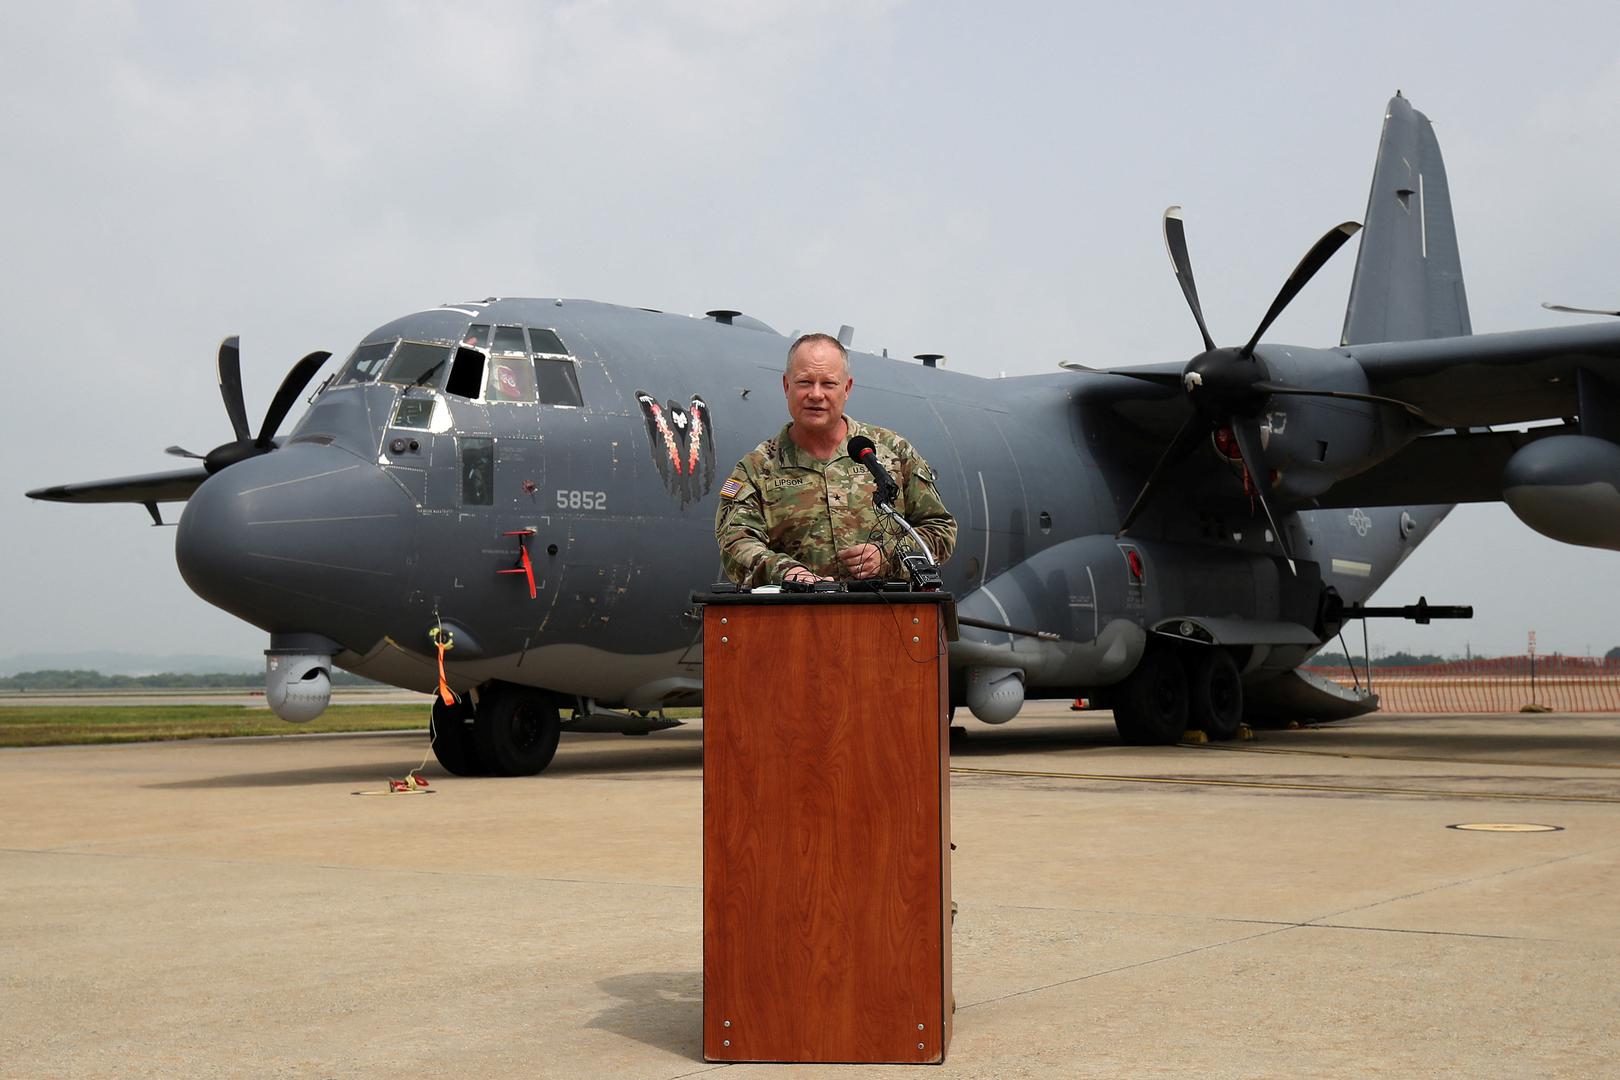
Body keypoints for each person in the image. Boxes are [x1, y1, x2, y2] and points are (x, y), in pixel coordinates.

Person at [715, 332, 957, 586]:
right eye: (805, 382)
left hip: (886, 618)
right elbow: (735, 542)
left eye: (828, 384)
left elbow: (940, 530)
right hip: (796, 619)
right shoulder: (758, 468)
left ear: (847, 388)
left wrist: (888, 556)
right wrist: (785, 573)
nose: (816, 394)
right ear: (787, 386)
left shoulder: (890, 452)